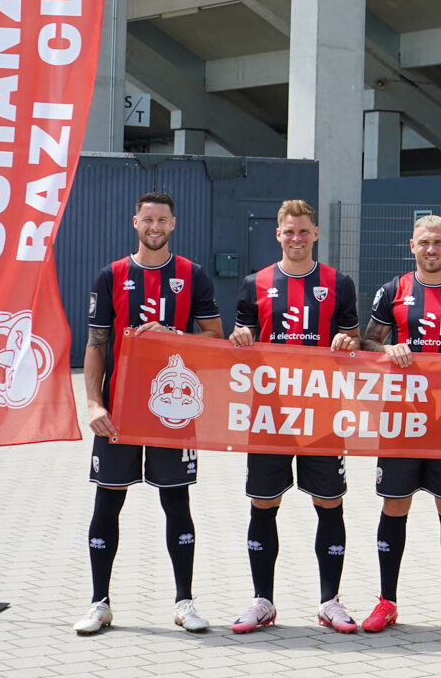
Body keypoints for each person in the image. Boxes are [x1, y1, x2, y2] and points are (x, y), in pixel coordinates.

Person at [75, 190, 224, 636]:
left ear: (173, 224)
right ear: (134, 222)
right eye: (148, 220)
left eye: (162, 220)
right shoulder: (112, 275)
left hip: (173, 412)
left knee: (176, 502)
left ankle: (184, 602)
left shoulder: (191, 276)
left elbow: (215, 337)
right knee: (108, 501)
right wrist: (93, 402)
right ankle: (99, 603)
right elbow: (97, 343)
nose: (155, 227)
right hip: (119, 411)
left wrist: (173, 334)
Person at [354, 215, 441, 634]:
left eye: (438, 242)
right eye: (423, 243)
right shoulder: (392, 290)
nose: (430, 249)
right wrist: (388, 347)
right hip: (400, 415)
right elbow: (367, 340)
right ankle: (386, 601)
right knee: (394, 505)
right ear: (411, 246)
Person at [226, 200, 362, 635]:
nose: (297, 239)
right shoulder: (254, 283)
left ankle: (329, 601)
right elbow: (239, 338)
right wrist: (240, 336)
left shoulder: (339, 283)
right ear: (277, 234)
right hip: (269, 413)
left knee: (329, 503)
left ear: (316, 234)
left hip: (323, 412)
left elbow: (354, 337)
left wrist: (346, 341)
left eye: (304, 232)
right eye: (289, 232)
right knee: (264, 503)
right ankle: (262, 600)